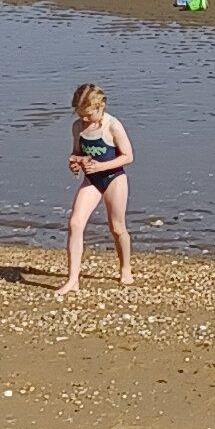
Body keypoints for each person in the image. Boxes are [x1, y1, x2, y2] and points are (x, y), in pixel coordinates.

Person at [57, 80, 134, 296]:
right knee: (75, 223)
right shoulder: (78, 127)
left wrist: (101, 165)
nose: (84, 118)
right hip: (91, 180)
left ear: (101, 107)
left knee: (117, 227)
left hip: (114, 178)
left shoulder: (112, 125)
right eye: (80, 114)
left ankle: (125, 268)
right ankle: (73, 279)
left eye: (88, 114)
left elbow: (128, 156)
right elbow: (77, 152)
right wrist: (74, 162)